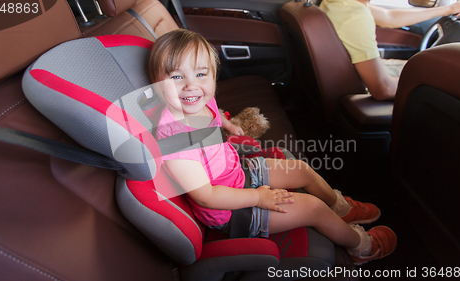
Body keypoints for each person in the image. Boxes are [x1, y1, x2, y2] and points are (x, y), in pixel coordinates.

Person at [149, 29, 396, 265]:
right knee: (314, 208)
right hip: (230, 211)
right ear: (156, 84)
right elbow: (207, 196)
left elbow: (213, 110)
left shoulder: (200, 99)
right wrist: (258, 197)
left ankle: (340, 208)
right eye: (176, 77)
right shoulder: (176, 142)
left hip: (236, 173)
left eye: (201, 74)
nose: (191, 85)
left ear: (213, 75)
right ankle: (362, 247)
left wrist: (228, 125)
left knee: (301, 169)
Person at [319, 0, 460, 100]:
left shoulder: (340, 4)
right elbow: (382, 89)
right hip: (364, 88)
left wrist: (449, 9)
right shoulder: (354, 17)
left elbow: (390, 17)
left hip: (354, 74)